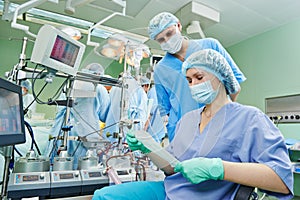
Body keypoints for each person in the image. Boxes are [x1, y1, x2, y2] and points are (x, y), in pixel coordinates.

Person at [92, 49, 293, 200]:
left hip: (207, 197)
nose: (193, 85)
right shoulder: (188, 119)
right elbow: (173, 169)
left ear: (221, 76)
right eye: (188, 80)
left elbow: (282, 181)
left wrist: (218, 168)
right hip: (170, 190)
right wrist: (149, 149)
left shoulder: (250, 119)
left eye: (199, 77)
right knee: (103, 196)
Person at [148, 12, 246, 141]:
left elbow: (233, 83)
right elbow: (165, 108)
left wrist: (225, 112)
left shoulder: (210, 46)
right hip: (182, 132)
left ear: (178, 26)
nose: (167, 41)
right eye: (161, 39)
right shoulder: (161, 69)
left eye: (169, 33)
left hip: (217, 123)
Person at [46, 63, 111, 169]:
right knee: (81, 168)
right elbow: (105, 115)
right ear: (99, 75)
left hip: (61, 131)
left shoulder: (70, 83)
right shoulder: (99, 89)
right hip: (85, 135)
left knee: (60, 167)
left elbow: (60, 109)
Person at [103, 72, 148, 143]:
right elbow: (141, 117)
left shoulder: (115, 88)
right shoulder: (139, 92)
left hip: (112, 130)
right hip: (126, 134)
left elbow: (105, 112)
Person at [140, 76, 166, 143]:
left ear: (146, 85)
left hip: (153, 132)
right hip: (159, 131)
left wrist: (144, 129)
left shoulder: (152, 92)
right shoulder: (159, 90)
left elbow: (150, 113)